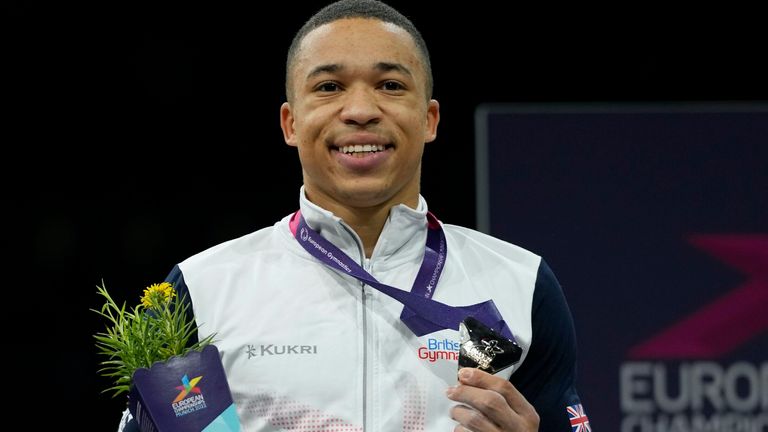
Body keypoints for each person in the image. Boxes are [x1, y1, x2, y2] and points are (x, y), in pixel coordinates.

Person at [118, 0, 587, 430]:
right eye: (328, 87)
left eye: (390, 85)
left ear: (429, 119)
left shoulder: (522, 284)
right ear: (291, 123)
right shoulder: (202, 289)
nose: (361, 110)